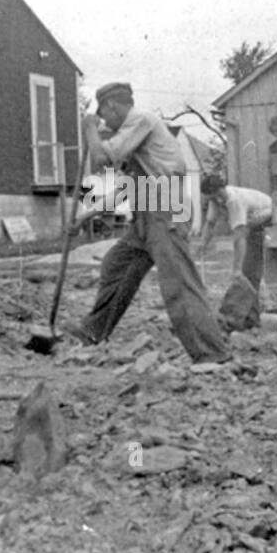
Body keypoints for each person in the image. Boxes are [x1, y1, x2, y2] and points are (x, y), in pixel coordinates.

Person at [65, 82, 231, 364]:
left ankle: (211, 355)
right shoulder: (136, 143)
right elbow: (124, 188)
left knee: (178, 282)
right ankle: (94, 331)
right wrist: (85, 216)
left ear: (113, 107)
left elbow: (101, 159)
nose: (105, 121)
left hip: (166, 205)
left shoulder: (141, 121)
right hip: (146, 211)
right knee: (117, 265)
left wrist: (90, 128)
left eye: (105, 114)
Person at [198, 174, 273, 332]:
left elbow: (239, 238)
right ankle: (251, 320)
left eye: (213, 196)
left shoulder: (234, 200)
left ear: (219, 191)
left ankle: (248, 320)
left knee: (248, 273)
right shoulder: (216, 200)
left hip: (268, 220)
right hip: (251, 225)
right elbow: (210, 223)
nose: (212, 200)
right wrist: (203, 245)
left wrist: (236, 268)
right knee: (247, 275)